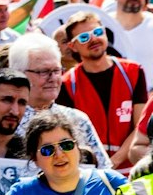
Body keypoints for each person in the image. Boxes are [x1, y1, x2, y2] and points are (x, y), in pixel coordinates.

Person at [10, 31, 112, 169]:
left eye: (57, 70)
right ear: (20, 74)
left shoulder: (77, 119)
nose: (52, 78)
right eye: (43, 71)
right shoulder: (7, 121)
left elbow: (105, 173)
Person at [62, 11, 150, 167]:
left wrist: (113, 162)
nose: (93, 39)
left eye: (97, 32)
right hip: (91, 173)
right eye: (84, 37)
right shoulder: (68, 83)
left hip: (129, 171)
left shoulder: (133, 71)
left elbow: (140, 126)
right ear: (72, 46)